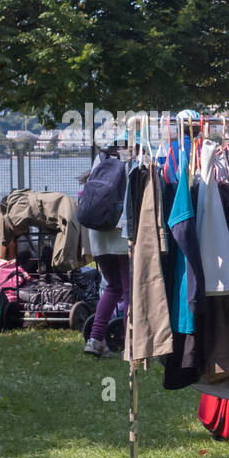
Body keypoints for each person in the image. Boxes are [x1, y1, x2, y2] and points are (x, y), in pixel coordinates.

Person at [83, 148, 129, 358]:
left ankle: (95, 339)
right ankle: (130, 344)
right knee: (129, 292)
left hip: (98, 235)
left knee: (113, 287)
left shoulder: (99, 162)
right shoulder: (132, 162)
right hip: (121, 235)